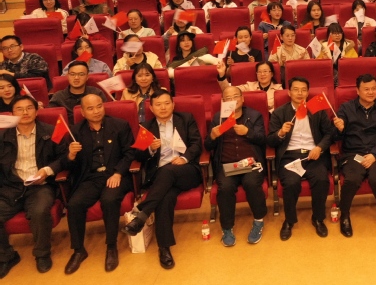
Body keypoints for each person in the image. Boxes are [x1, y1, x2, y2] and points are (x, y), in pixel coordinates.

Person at [122, 89, 203, 269]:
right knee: (165, 199)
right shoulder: (146, 127)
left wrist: (185, 158)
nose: (163, 107)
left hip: (186, 170)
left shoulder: (186, 119)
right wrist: (150, 149)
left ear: (173, 104)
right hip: (161, 179)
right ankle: (164, 248)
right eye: (158, 104)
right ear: (151, 108)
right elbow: (138, 155)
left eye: (167, 103)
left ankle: (142, 214)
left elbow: (197, 144)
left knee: (168, 172)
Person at [64, 94, 135, 274]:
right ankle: (78, 250)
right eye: (90, 108)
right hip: (90, 177)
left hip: (116, 174)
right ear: (82, 112)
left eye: (99, 106)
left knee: (109, 200)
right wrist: (71, 155)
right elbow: (70, 166)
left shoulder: (119, 125)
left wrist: (118, 173)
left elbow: (130, 153)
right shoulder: (75, 132)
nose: (96, 111)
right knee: (74, 204)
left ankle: (111, 247)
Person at [0, 95, 68, 277]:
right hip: (11, 186)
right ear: (12, 114)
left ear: (37, 111)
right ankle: (6, 256)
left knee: (39, 211)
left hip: (41, 185)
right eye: (19, 109)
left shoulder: (51, 131)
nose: (25, 112)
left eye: (29, 108)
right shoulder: (2, 136)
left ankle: (42, 254)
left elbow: (64, 158)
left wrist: (47, 170)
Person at [267, 77, 336, 241]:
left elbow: (329, 134)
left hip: (313, 155)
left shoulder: (316, 109)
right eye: (296, 90)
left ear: (307, 92)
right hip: (290, 157)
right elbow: (270, 140)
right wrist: (280, 133)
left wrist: (319, 147)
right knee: (291, 183)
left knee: (321, 180)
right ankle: (289, 221)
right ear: (289, 92)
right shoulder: (279, 113)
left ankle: (318, 218)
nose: (300, 93)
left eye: (303, 90)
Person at [333, 74, 376, 237]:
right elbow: (336, 137)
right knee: (352, 179)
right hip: (353, 153)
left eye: (374, 88)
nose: (371, 92)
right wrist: (339, 128)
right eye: (366, 89)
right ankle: (344, 215)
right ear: (357, 91)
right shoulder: (346, 109)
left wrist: (374, 155)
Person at [205, 87, 268, 246]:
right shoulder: (218, 118)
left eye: (236, 96)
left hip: (250, 163)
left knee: (251, 183)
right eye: (228, 98)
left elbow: (263, 140)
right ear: (223, 101)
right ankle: (227, 228)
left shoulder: (254, 116)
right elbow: (207, 146)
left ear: (242, 98)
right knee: (225, 187)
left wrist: (248, 132)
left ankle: (258, 221)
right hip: (227, 164)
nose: (233, 100)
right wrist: (212, 136)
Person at [217, 61, 283, 112]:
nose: (262, 74)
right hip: (250, 117)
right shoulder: (249, 86)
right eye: (259, 72)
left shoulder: (278, 89)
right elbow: (229, 91)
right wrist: (222, 75)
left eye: (265, 71)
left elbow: (279, 109)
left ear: (271, 74)